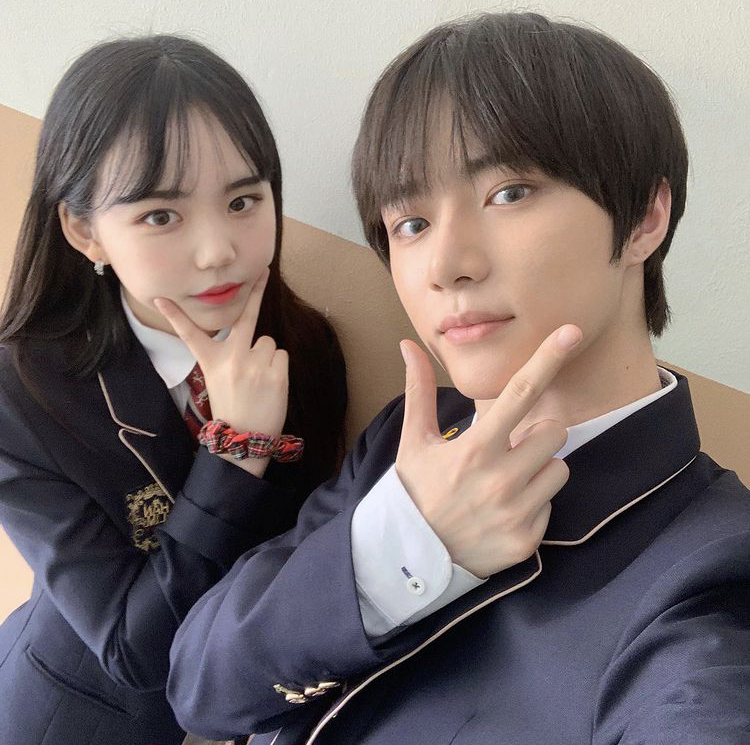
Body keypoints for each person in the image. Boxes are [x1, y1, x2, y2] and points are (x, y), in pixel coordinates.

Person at [167, 12, 750, 745]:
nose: (445, 266)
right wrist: (403, 543)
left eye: (510, 193)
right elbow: (199, 683)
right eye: (410, 224)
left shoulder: (714, 577)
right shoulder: (410, 435)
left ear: (644, 217)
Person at [0, 35, 347, 745]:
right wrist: (236, 452)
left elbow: (300, 561)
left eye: (244, 200)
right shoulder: (20, 394)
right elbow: (133, 651)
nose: (218, 250)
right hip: (79, 719)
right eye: (161, 214)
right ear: (85, 230)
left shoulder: (305, 346)